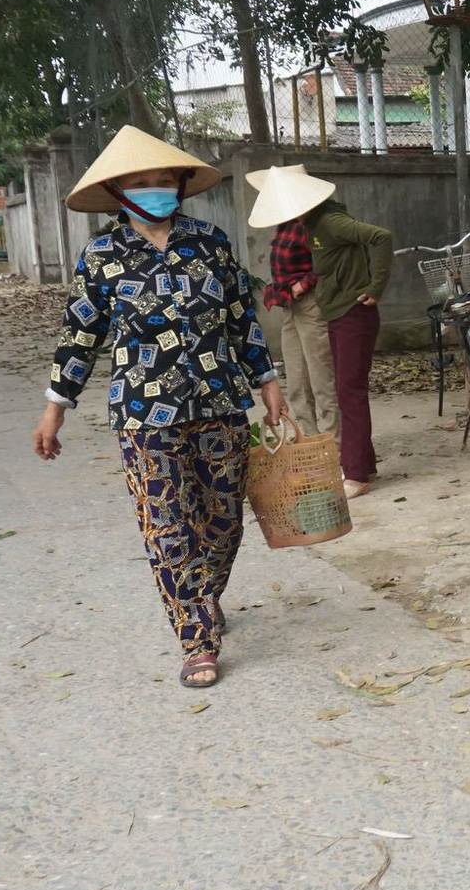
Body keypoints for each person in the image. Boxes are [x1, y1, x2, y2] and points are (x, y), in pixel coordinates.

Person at [29, 126, 288, 689]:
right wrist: (56, 407)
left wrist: (267, 380)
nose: (154, 189)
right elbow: (80, 337)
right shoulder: (101, 257)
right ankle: (196, 636)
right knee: (167, 524)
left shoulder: (211, 243)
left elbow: (242, 318)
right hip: (144, 416)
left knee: (223, 521)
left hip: (220, 403)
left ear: (180, 183)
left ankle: (204, 593)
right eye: (140, 183)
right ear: (119, 191)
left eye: (163, 180)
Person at [248, 165, 391, 498]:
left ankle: (343, 462)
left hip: (332, 307)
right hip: (304, 306)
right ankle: (319, 452)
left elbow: (376, 240)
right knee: (302, 385)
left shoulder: (328, 222)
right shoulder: (300, 222)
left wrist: (375, 286)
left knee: (334, 388)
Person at [246, 165, 338, 440]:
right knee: (296, 381)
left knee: (322, 379)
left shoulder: (319, 223)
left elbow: (328, 262)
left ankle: (335, 444)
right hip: (289, 306)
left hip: (310, 303)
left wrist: (303, 284)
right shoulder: (287, 220)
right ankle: (308, 439)